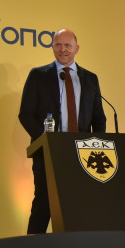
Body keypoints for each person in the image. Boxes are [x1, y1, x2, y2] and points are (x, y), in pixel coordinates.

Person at [18, 28, 106, 233]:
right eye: (58, 45)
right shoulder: (38, 75)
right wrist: (44, 140)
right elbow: (25, 114)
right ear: (52, 47)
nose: (63, 49)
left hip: (82, 153)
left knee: (79, 205)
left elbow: (99, 117)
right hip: (48, 151)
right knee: (43, 203)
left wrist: (95, 144)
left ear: (76, 48)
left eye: (67, 45)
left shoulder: (90, 78)